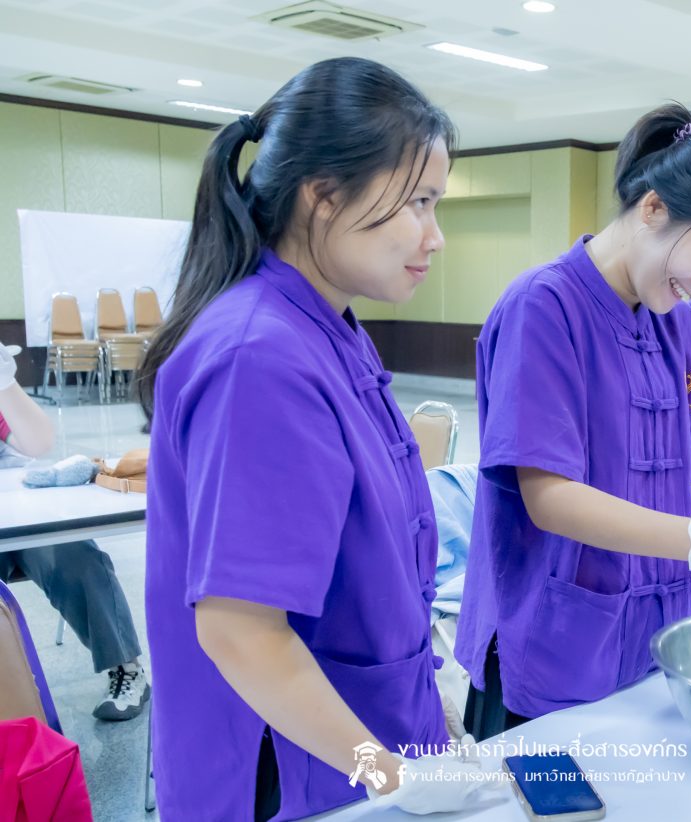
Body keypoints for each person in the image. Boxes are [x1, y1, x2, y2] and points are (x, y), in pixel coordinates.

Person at [136, 58, 497, 821]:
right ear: (323, 195)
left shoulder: (328, 327)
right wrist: (390, 774)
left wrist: (427, 721)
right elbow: (241, 633)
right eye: (418, 203)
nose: (435, 236)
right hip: (289, 773)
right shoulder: (258, 356)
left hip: (354, 748)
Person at [456, 104, 691, 741]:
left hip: (653, 641)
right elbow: (549, 498)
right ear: (654, 208)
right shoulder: (543, 308)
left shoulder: (677, 324)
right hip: (553, 644)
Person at [0, 342, 148, 721]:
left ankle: (126, 667)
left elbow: (36, 443)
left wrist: (6, 383)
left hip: (14, 498)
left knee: (74, 554)